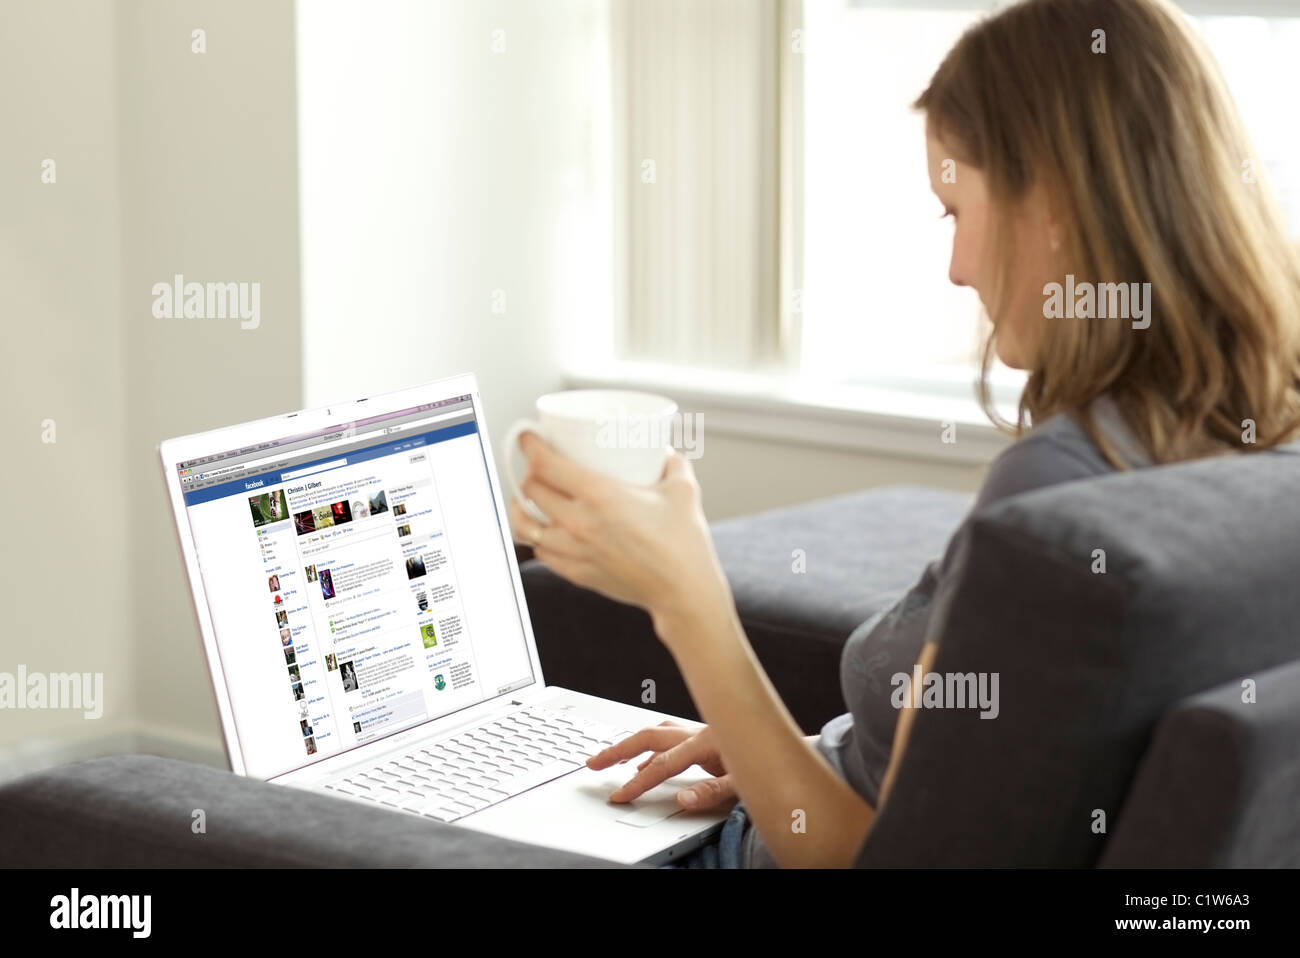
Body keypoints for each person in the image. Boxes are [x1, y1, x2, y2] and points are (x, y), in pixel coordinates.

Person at [507, 0, 1300, 869]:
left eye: (955, 211)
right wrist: (777, 750)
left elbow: (866, 859)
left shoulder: (1059, 488)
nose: (957, 269)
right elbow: (977, 784)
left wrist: (685, 599)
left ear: (1058, 204)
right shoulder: (1261, 443)